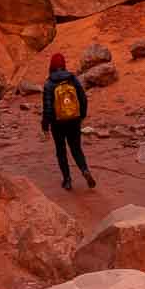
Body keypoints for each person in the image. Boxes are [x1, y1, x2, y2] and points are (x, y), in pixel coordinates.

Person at [40, 51, 96, 189]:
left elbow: (47, 108)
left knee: (61, 151)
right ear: (63, 65)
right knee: (76, 148)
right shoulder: (72, 79)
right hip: (74, 119)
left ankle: (67, 180)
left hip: (57, 123)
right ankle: (85, 170)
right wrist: (81, 115)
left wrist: (45, 126)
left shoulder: (49, 84)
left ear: (51, 66)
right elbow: (83, 98)